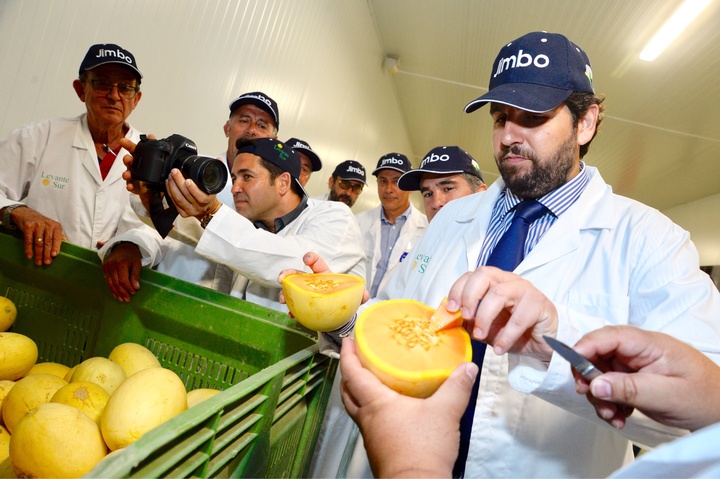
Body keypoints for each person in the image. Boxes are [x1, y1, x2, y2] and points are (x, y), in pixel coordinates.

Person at [362, 31, 720, 477]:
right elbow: (394, 310)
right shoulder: (452, 220)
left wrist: (558, 341)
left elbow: (707, 417)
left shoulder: (650, 239)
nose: (508, 137)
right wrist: (344, 319)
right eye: (499, 118)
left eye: (531, 118)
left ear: (585, 123)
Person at [339, 325, 720, 478]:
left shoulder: (654, 236)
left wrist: (410, 467)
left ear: (583, 144)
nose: (504, 144)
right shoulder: (450, 222)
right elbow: (389, 322)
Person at [119, 136, 365, 351]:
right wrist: (154, 194)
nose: (235, 188)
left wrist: (211, 212)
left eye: (247, 177)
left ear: (283, 182)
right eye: (234, 177)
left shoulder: (336, 218)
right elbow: (196, 230)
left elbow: (286, 262)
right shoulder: (252, 224)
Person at [99, 91, 280, 301]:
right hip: (172, 298)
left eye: (262, 125)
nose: (251, 130)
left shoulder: (277, 196)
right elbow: (150, 225)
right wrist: (130, 245)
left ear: (274, 140)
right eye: (244, 120)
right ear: (227, 128)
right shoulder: (188, 167)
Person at [0, 43, 143, 266]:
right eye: (102, 84)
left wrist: (133, 244)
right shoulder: (39, 137)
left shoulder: (151, 155)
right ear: (80, 90)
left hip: (115, 291)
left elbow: (164, 231)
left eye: (125, 88)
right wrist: (19, 212)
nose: (114, 96)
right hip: (41, 275)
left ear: (136, 99)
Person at [355, 153, 427, 297]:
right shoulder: (357, 222)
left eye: (397, 181)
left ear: (410, 187)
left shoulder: (427, 228)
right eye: (383, 181)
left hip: (394, 314)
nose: (388, 189)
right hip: (354, 308)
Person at [397, 145, 487, 222]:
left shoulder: (497, 240)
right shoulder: (426, 242)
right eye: (428, 194)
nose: (436, 203)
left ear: (480, 194)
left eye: (448, 189)